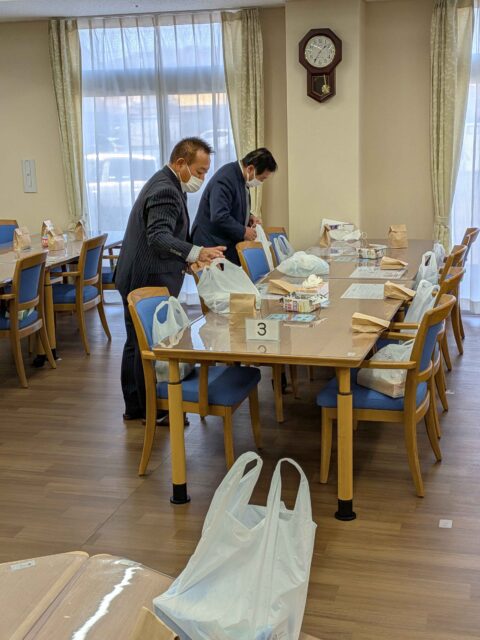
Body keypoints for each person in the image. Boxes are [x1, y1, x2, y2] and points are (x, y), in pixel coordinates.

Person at [115, 137, 225, 422]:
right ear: (180, 163)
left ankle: (138, 406)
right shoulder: (165, 189)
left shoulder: (170, 183)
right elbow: (159, 236)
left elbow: (168, 235)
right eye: (199, 171)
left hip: (145, 272)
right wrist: (196, 251)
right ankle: (151, 408)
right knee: (145, 346)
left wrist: (188, 260)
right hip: (145, 277)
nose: (202, 178)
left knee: (137, 344)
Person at [191, 148, 278, 264]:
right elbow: (219, 215)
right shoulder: (226, 178)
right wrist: (243, 231)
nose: (260, 182)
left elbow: (234, 205)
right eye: (261, 178)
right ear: (250, 169)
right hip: (210, 241)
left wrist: (249, 217)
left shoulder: (241, 177)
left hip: (223, 241)